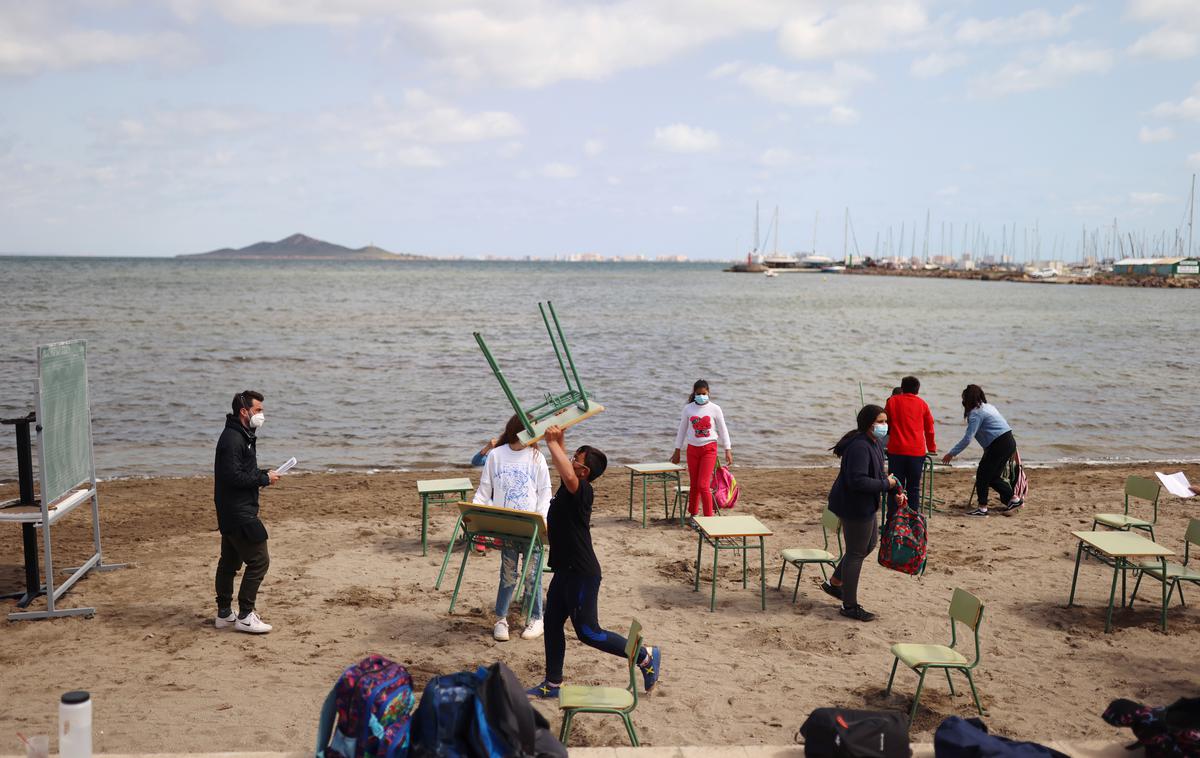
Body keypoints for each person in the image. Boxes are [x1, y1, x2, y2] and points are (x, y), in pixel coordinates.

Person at [526, 425, 662, 699]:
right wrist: (559, 438)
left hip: (582, 574)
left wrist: (550, 442)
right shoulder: (569, 486)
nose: (571, 461)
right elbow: (565, 466)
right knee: (552, 624)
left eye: (576, 460)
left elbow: (565, 470)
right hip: (564, 572)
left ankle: (645, 657)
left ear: (584, 472)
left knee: (589, 632)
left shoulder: (583, 491)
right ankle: (553, 683)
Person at [473, 414, 551, 642]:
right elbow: (484, 490)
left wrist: (543, 520)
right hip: (506, 526)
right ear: (520, 429)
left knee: (532, 575)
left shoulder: (537, 457)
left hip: (532, 527)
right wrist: (477, 516)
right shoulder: (497, 455)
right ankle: (501, 619)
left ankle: (537, 618)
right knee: (507, 575)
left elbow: (545, 493)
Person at [820, 404, 901, 622]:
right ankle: (849, 605)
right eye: (880, 422)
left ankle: (835, 583)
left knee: (869, 544)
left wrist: (894, 489)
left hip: (866, 504)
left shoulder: (874, 443)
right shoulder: (859, 447)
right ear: (868, 424)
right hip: (854, 505)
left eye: (886, 422)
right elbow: (858, 481)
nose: (884, 426)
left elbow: (878, 475)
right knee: (856, 552)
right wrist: (887, 484)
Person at [214, 390, 280, 634]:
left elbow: (242, 470)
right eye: (259, 410)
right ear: (245, 412)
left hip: (232, 510)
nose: (261, 415)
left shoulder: (244, 435)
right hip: (238, 512)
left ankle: (224, 614)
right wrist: (263, 478)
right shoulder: (233, 439)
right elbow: (233, 477)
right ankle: (244, 614)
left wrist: (264, 473)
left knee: (229, 562)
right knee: (259, 561)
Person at [941, 384, 1022, 517]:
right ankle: (1013, 499)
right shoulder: (988, 407)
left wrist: (952, 453)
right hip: (1008, 441)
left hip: (999, 444)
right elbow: (993, 430)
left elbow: (968, 438)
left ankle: (982, 508)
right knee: (993, 476)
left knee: (983, 475)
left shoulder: (975, 414)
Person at [670, 379, 733, 518]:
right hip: (692, 449)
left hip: (709, 449)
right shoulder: (688, 409)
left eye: (704, 393)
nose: (701, 396)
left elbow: (723, 430)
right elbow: (682, 430)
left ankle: (708, 517)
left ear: (708, 392)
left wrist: (727, 449)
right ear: (694, 393)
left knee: (703, 485)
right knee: (694, 484)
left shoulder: (715, 408)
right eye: (698, 394)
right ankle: (693, 514)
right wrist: (677, 450)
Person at [883, 376, 936, 523]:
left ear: (902, 387)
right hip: (916, 452)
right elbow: (929, 428)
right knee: (913, 488)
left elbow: (887, 423)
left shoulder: (892, 401)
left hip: (896, 450)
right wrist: (931, 447)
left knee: (894, 486)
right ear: (917, 390)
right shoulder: (923, 404)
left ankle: (892, 520)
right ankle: (912, 520)